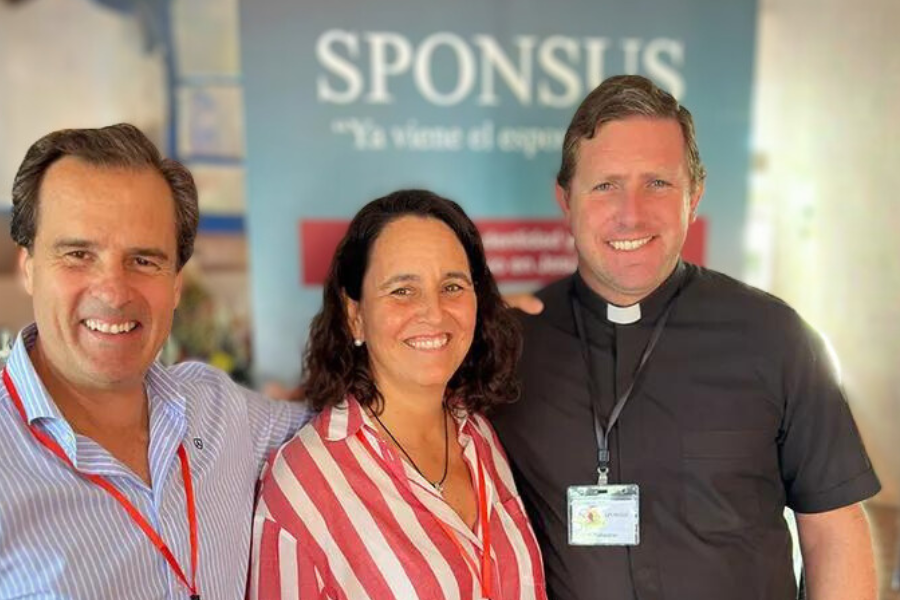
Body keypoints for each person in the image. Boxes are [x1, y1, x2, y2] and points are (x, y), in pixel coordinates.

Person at [491, 75, 880, 600]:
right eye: (606, 185)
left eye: (658, 183)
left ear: (694, 195)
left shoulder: (775, 337)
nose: (631, 211)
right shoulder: (507, 346)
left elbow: (833, 528)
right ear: (566, 200)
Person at [0, 124, 309, 599]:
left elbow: (360, 422)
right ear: (29, 268)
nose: (113, 292)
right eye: (79, 254)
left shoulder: (220, 410)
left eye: (144, 261)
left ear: (176, 283)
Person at [249, 190, 547, 599]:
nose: (434, 312)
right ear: (355, 315)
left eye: (453, 286)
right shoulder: (303, 484)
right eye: (402, 290)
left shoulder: (479, 435)